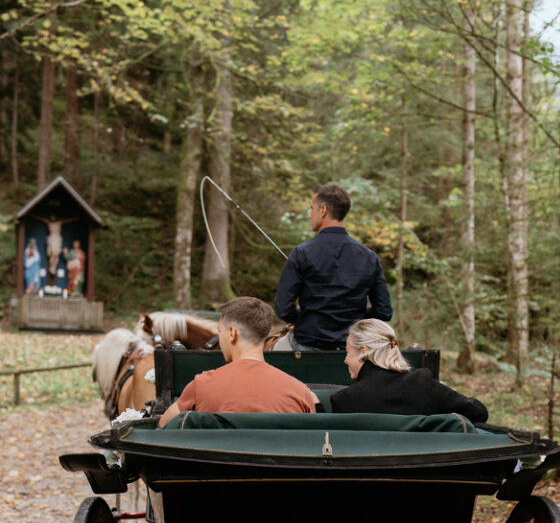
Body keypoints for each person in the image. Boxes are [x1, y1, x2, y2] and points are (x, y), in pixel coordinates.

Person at [158, 297, 316, 427]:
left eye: (220, 331)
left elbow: (163, 426)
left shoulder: (201, 385)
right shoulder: (300, 393)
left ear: (232, 333)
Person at [273, 183, 393, 351]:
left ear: (323, 211)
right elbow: (384, 312)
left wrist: (306, 317)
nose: (309, 215)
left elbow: (283, 308)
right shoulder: (369, 257)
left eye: (312, 208)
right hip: (352, 348)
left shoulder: (302, 253)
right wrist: (356, 319)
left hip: (307, 344)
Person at [330, 319, 488, 422]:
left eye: (348, 352)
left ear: (363, 351)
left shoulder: (345, 400)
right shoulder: (422, 384)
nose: (345, 359)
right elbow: (478, 412)